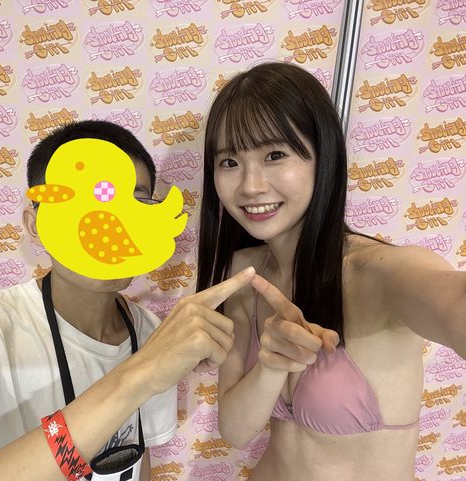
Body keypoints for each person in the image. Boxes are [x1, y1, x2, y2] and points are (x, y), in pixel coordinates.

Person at [0, 120, 256, 481]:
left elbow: (138, 460)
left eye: (137, 203)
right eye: (85, 201)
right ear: (35, 224)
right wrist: (140, 373)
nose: (111, 223)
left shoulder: (151, 334)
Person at [196, 62, 466, 481]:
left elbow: (452, 302)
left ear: (324, 157)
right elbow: (235, 430)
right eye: (229, 161)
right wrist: (271, 365)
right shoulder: (246, 273)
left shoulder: (379, 273)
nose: (250, 186)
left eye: (274, 155)